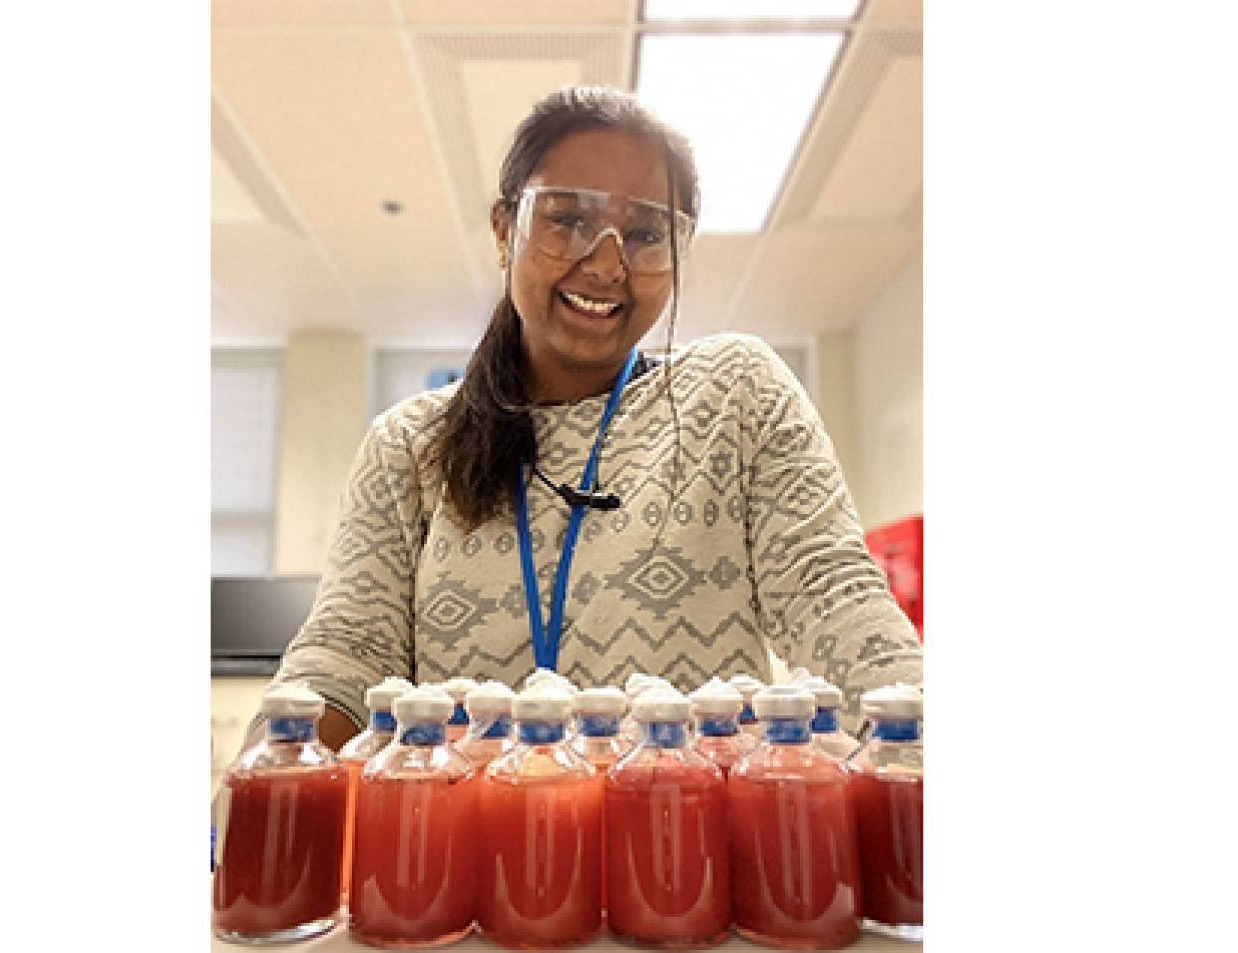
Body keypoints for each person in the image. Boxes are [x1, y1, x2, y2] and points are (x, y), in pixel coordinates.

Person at [250, 85, 923, 753]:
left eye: (645, 233)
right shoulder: (411, 446)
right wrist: (269, 772)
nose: (607, 263)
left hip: (688, 844)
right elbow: (342, 654)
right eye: (568, 220)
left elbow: (835, 598)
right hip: (464, 849)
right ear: (503, 229)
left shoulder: (736, 396)